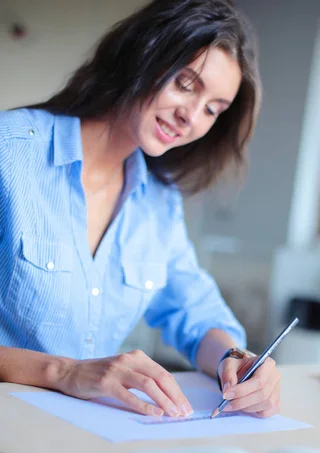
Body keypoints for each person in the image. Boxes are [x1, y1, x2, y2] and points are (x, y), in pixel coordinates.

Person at [0, 0, 280, 419]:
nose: (191, 117)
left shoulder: (159, 202)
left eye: (212, 110)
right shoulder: (10, 153)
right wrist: (63, 371)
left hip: (82, 436)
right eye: (185, 84)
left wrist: (235, 359)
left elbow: (193, 310)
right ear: (142, 54)